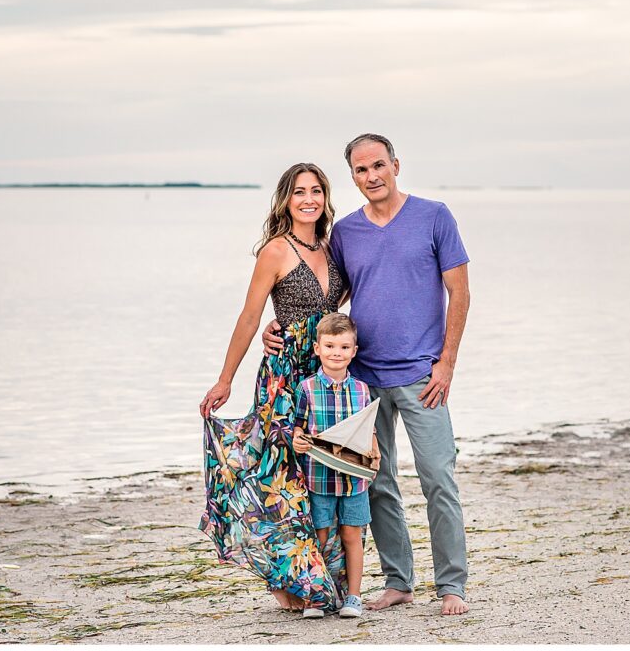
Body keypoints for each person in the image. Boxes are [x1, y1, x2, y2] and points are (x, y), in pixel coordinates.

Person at [263, 133, 471, 616]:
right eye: (361, 170)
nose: (372, 176)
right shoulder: (347, 233)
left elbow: (459, 294)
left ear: (396, 164)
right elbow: (326, 298)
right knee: (373, 481)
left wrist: (447, 364)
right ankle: (399, 581)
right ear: (352, 177)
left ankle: (452, 586)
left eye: (379, 165)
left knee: (438, 476)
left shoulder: (434, 216)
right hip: (361, 380)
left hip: (423, 376)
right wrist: (281, 325)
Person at [197, 162, 351, 614]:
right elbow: (249, 316)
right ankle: (293, 581)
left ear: (325, 196)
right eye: (300, 191)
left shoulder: (332, 245)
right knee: (280, 478)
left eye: (317, 190)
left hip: (324, 377)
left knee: (319, 476)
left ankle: (321, 579)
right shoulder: (276, 251)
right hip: (284, 377)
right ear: (285, 199)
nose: (309, 199)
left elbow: (333, 304)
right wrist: (225, 378)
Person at [291, 313, 380, 620]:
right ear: (317, 348)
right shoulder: (306, 389)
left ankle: (353, 596)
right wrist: (298, 441)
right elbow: (298, 429)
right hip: (319, 478)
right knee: (321, 535)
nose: (336, 353)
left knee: (352, 534)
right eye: (329, 346)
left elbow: (368, 429)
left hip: (354, 479)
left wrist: (375, 454)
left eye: (344, 347)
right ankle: (317, 596)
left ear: (354, 351)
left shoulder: (362, 390)